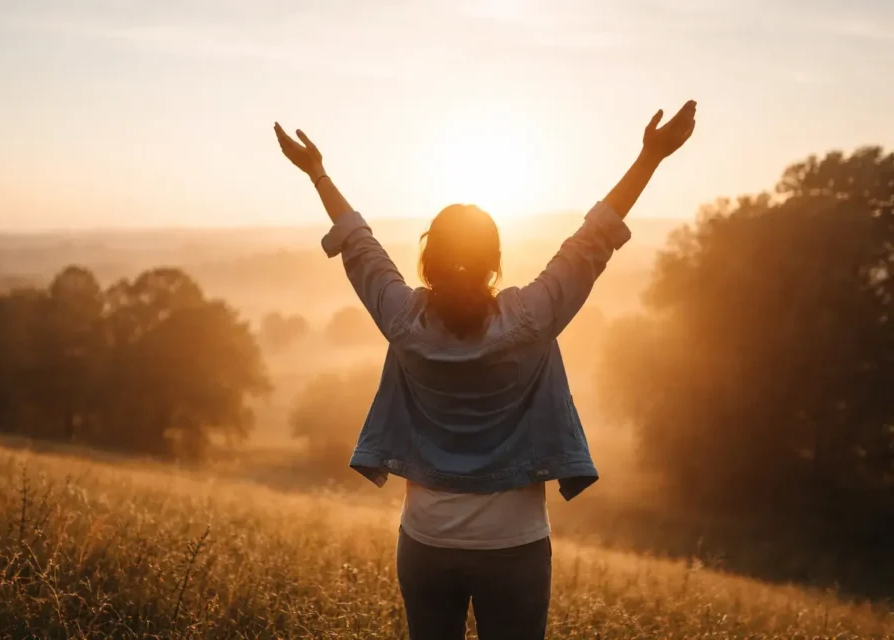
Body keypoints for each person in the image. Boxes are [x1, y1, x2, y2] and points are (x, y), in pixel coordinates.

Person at [273, 100, 697, 640]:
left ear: (428, 262)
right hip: (514, 545)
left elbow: (359, 244)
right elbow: (592, 241)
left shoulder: (403, 319)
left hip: (426, 541)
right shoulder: (533, 316)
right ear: (496, 263)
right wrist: (650, 157)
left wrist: (317, 173)